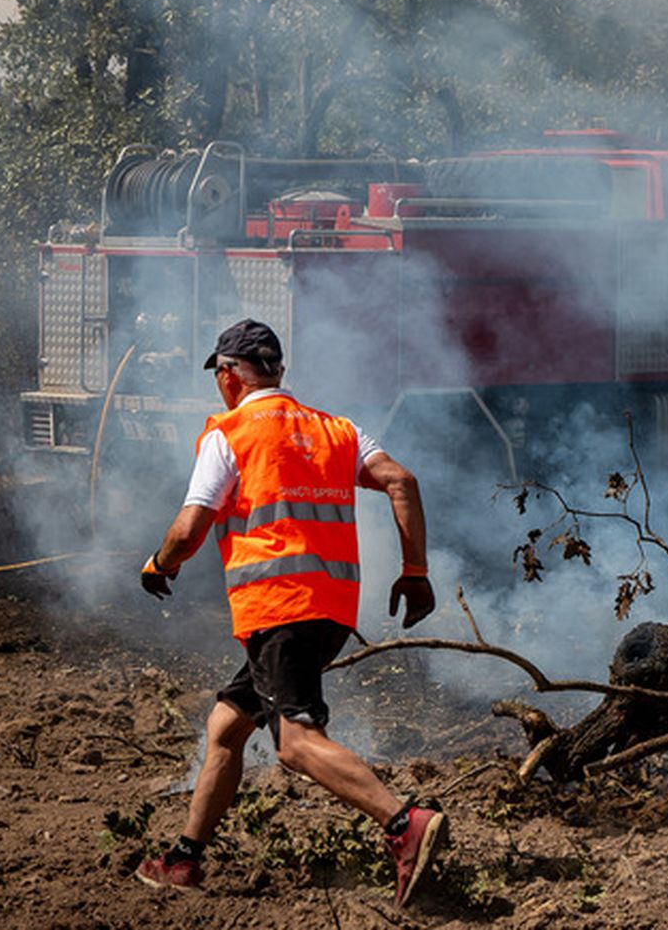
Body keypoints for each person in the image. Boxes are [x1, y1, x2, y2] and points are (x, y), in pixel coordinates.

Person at [132, 319, 445, 906]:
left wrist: (159, 563)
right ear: (277, 371)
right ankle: (184, 859)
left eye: (219, 376)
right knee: (227, 726)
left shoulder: (230, 432)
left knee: (296, 744)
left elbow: (191, 525)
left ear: (229, 377)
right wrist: (416, 572)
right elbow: (401, 481)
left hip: (278, 610)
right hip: (328, 611)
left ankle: (405, 822)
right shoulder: (337, 429)